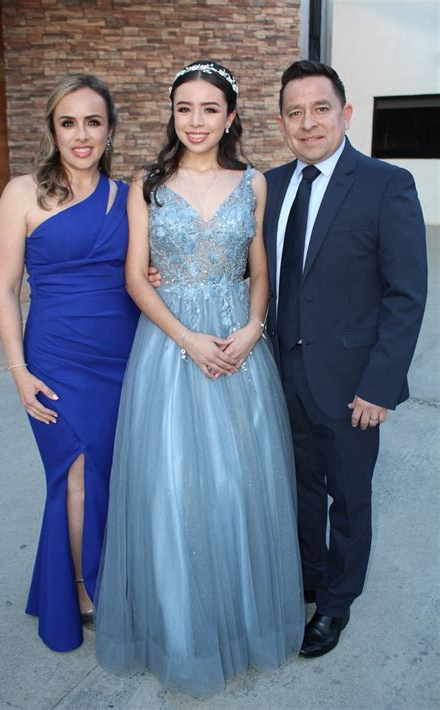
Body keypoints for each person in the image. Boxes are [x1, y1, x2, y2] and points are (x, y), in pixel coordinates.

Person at [95, 61, 304, 698]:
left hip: (239, 348)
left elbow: (258, 269)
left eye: (210, 109)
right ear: (172, 114)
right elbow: (136, 276)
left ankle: (241, 621)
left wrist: (250, 329)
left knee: (240, 483)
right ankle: (179, 630)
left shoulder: (255, 184)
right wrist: (186, 338)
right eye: (184, 108)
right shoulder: (147, 185)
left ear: (231, 117)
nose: (196, 121)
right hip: (169, 346)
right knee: (171, 482)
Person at [263, 60, 427, 658]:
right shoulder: (270, 185)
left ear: (346, 114)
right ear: (281, 121)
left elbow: (406, 295)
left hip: (354, 382)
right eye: (295, 112)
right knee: (299, 489)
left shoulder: (387, 184)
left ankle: (336, 603)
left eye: (320, 108)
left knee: (349, 496)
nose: (308, 123)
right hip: (281, 376)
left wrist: (380, 385)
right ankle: (307, 579)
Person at [0, 74, 140, 652]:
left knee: (108, 476)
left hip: (122, 354)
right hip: (54, 357)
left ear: (109, 130)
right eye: (69, 122)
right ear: (53, 129)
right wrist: (18, 371)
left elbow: (140, 273)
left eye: (93, 122)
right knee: (75, 476)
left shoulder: (129, 197)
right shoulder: (22, 192)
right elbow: (5, 290)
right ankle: (81, 589)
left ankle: (75, 580)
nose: (81, 135)